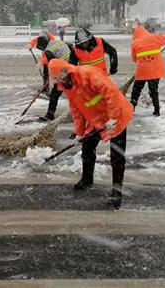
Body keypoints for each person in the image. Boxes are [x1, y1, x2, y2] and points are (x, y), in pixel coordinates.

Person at [48, 59, 133, 209]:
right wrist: (79, 132)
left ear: (64, 72)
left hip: (117, 114)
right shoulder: (69, 86)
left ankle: (116, 192)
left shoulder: (88, 73)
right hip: (98, 120)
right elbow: (76, 111)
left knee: (117, 156)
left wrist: (113, 116)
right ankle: (87, 180)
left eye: (57, 77)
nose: (57, 81)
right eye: (55, 79)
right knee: (87, 147)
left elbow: (111, 92)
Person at [130, 24, 165, 117]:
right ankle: (156, 110)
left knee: (136, 90)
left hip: (143, 71)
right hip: (155, 70)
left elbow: (134, 59)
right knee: (153, 90)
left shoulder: (135, 43)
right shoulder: (155, 37)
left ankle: (132, 107)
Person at [34, 34, 75, 121]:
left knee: (55, 94)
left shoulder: (48, 50)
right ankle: (78, 112)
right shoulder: (57, 42)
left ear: (43, 45)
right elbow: (71, 47)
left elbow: (53, 65)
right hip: (73, 66)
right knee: (73, 92)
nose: (42, 50)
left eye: (41, 48)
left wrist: (51, 79)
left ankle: (50, 115)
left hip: (64, 70)